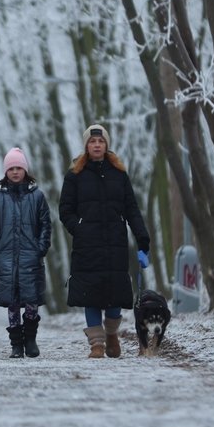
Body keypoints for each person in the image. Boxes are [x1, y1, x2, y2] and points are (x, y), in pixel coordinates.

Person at [59, 124, 150, 358]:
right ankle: (96, 345)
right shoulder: (75, 176)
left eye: (100, 141)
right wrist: (78, 228)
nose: (97, 145)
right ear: (86, 146)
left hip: (115, 245)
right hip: (86, 246)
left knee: (114, 296)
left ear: (106, 144)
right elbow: (65, 210)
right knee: (90, 295)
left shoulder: (119, 174)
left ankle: (111, 334)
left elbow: (131, 209)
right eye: (92, 141)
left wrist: (143, 240)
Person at [0, 147, 52, 358]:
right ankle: (16, 345)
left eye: (19, 168)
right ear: (6, 171)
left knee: (31, 301)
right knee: (13, 302)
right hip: (7, 259)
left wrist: (41, 248)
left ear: (25, 170)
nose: (15, 172)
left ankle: (30, 340)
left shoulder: (37, 196)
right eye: (11, 168)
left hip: (31, 258)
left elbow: (45, 225)